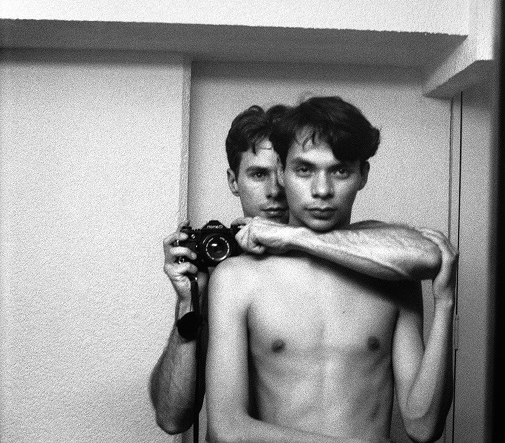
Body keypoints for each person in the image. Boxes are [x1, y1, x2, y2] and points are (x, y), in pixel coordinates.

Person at [149, 104, 449, 437]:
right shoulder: (232, 276)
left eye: (338, 171)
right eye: (259, 175)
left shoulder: (384, 262)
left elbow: (423, 426)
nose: (275, 192)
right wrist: (189, 303)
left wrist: (446, 301)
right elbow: (192, 422)